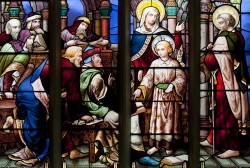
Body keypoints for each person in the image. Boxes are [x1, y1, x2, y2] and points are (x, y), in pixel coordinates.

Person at [200, 5, 249, 159]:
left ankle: (233, 146)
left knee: (226, 111)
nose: (218, 24)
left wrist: (209, 51)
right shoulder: (236, 35)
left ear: (229, 22)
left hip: (226, 79)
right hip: (226, 77)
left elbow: (212, 62)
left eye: (221, 22)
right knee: (219, 110)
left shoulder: (224, 37)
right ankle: (214, 139)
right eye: (218, 21)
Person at [134, 35, 186, 155]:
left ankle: (169, 146)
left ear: (169, 49)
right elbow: (148, 78)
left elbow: (181, 78)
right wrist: (140, 89)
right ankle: (156, 146)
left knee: (169, 121)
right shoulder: (155, 63)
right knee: (157, 122)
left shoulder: (174, 63)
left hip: (171, 96)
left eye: (162, 49)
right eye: (158, 50)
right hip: (157, 96)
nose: (160, 52)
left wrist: (172, 85)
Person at [80, 46, 119, 166]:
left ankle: (107, 152)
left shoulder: (83, 73)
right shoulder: (96, 77)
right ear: (91, 59)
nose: (100, 59)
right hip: (97, 109)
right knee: (117, 117)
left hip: (89, 108)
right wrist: (111, 86)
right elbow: (104, 98)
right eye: (97, 57)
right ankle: (115, 154)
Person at [8, 57, 49, 167]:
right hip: (33, 95)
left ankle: (33, 152)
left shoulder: (25, 86)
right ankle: (33, 152)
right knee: (35, 125)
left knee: (33, 124)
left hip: (29, 91)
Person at [131, 2, 184, 85]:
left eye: (156, 16)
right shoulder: (138, 32)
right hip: (143, 68)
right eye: (151, 15)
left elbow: (175, 46)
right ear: (145, 16)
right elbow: (133, 53)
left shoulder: (162, 32)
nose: (154, 18)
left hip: (161, 68)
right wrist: (139, 69)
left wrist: (177, 32)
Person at [0, 30, 35, 99]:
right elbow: (10, 72)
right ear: (24, 38)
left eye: (33, 39)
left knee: (31, 67)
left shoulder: (20, 48)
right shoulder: (23, 55)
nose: (32, 42)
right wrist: (6, 90)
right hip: (5, 83)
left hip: (12, 83)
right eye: (30, 39)